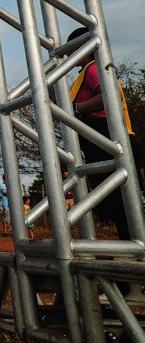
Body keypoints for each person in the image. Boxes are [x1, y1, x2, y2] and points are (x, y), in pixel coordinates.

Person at [68, 26, 138, 240]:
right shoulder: (87, 71)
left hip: (107, 139)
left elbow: (109, 96)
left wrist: (77, 109)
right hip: (101, 139)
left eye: (72, 49)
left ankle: (134, 243)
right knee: (116, 202)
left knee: (120, 200)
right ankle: (130, 240)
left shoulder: (92, 68)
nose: (70, 55)